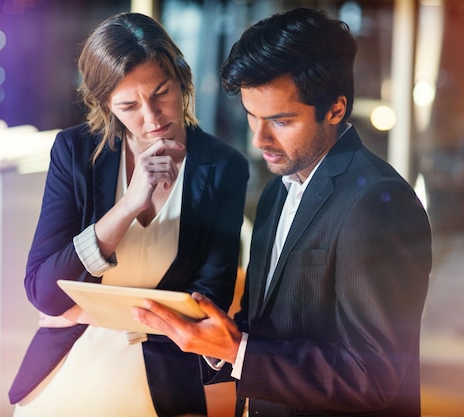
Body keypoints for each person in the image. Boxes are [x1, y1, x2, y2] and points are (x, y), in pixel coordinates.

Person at [134, 7, 432, 417]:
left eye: (280, 120)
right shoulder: (277, 193)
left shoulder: (378, 204)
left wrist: (239, 351)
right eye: (252, 117)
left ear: (336, 109)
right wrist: (217, 341)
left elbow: (374, 377)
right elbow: (265, 328)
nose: (260, 139)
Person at [8, 12, 249, 417]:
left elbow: (210, 300)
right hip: (67, 370)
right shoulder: (75, 153)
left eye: (161, 92)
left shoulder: (223, 167)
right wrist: (129, 205)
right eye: (128, 105)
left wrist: (85, 309)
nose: (152, 118)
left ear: (182, 79)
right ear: (105, 104)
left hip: (165, 383)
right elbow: (44, 291)